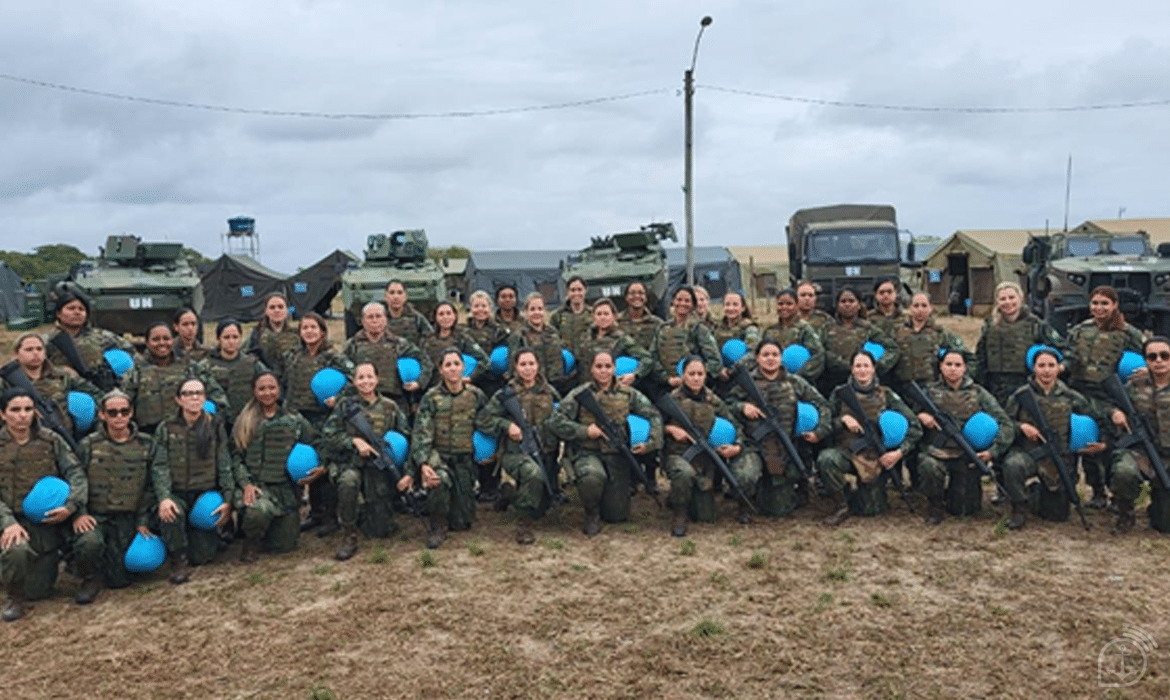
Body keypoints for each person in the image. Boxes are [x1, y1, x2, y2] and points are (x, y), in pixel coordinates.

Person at [1001, 346, 1118, 530]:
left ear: (1058, 368)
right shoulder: (1021, 395)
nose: (1046, 370)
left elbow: (1097, 419)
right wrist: (1021, 426)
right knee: (1013, 465)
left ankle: (1035, 494)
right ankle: (1019, 507)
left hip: (1059, 457)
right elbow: (1005, 422)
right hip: (1029, 453)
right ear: (1034, 368)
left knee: (1057, 515)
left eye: (1051, 365)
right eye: (1041, 365)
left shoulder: (1071, 397)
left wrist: (1102, 442)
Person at [550, 351, 662, 536]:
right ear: (592, 369)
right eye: (599, 367)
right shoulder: (580, 394)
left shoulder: (628, 393)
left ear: (614, 368)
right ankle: (591, 512)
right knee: (592, 477)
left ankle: (605, 499)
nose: (604, 371)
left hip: (616, 454)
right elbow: (556, 422)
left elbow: (653, 414)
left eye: (608, 367)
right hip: (587, 452)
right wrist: (585, 431)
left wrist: (650, 444)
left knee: (617, 516)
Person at [0, 388, 86, 622]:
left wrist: (70, 505)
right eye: (15, 410)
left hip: (44, 522)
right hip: (9, 520)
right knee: (16, 549)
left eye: (28, 409)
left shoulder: (51, 440)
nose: (22, 415)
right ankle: (14, 596)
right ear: (3, 414)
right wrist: (7, 523)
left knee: (39, 591)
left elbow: (75, 472)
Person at [725, 340, 832, 517]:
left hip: (784, 446)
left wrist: (820, 432)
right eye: (765, 355)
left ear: (781, 358)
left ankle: (778, 489)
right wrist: (742, 407)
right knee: (745, 475)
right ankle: (745, 501)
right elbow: (726, 406)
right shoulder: (747, 382)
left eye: (775, 354)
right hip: (754, 445)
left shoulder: (794, 382)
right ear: (757, 358)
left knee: (778, 509)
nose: (770, 359)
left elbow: (823, 405)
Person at [817, 351, 922, 526]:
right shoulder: (840, 394)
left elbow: (914, 426)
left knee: (871, 509)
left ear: (873, 369)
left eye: (866, 366)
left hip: (876, 456)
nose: (862, 370)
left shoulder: (886, 395)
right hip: (846, 451)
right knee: (827, 459)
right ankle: (840, 504)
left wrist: (898, 452)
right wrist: (842, 421)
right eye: (858, 366)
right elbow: (825, 425)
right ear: (851, 369)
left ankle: (857, 495)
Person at [1063, 285, 1145, 508]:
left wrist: (1145, 370)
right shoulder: (1080, 330)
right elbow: (1068, 355)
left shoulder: (1128, 333)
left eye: (1104, 303)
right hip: (1079, 392)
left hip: (1110, 396)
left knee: (1108, 445)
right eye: (1095, 303)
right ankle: (1096, 491)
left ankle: (1117, 493)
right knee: (1084, 440)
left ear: (1115, 305)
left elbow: (1148, 356)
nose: (1099, 308)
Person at [910, 350, 1013, 525]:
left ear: (965, 368)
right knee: (929, 467)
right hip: (935, 452)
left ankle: (953, 494)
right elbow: (908, 417)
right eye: (948, 364)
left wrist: (992, 451)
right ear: (941, 366)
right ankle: (935, 504)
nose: (953, 369)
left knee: (965, 510)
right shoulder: (929, 391)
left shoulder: (978, 393)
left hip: (965, 454)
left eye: (958, 365)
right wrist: (921, 415)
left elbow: (1005, 423)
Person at [72, 389, 154, 604]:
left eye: (124, 411)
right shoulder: (88, 445)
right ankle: (90, 577)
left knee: (120, 580)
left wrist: (143, 522)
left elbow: (151, 487)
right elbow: (76, 480)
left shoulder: (146, 444)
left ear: (131, 413)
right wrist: (80, 513)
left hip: (129, 517)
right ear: (102, 415)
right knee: (89, 543)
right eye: (112, 412)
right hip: (96, 516)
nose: (119, 417)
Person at [322, 363, 411, 560]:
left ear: (377, 379)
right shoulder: (345, 405)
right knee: (348, 481)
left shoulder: (390, 407)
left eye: (370, 376)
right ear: (353, 381)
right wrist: (354, 441)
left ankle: (362, 512)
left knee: (380, 530)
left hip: (377, 467)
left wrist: (402, 467)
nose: (366, 381)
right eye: (360, 377)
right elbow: (328, 436)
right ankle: (349, 534)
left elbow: (405, 436)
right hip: (349, 464)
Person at [402, 350, 489, 549]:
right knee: (437, 480)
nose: (452, 368)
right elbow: (421, 433)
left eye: (456, 364)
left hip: (464, 460)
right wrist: (423, 463)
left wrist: (490, 450)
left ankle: (451, 505)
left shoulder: (475, 395)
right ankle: (437, 523)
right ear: (441, 370)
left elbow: (488, 423)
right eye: (447, 365)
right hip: (438, 456)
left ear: (463, 367)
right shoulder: (431, 398)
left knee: (462, 523)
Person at [150, 379, 234, 584]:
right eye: (188, 393)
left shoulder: (215, 424)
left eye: (199, 393)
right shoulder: (166, 427)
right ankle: (178, 558)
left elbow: (224, 463)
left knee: (203, 557)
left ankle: (207, 537)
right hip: (177, 493)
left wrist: (228, 499)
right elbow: (159, 465)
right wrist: (164, 497)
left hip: (205, 494)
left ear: (205, 398)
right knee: (170, 514)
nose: (194, 397)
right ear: (179, 399)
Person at [476, 348, 562, 544]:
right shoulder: (506, 394)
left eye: (531, 363)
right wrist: (507, 426)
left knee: (542, 507)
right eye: (523, 364)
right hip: (515, 453)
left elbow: (562, 418)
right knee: (533, 474)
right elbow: (483, 419)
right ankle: (523, 524)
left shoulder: (549, 392)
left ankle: (510, 493)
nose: (528, 368)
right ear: (516, 367)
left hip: (544, 452)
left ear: (538, 366)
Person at [233, 371, 321, 562]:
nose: (267, 393)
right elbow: (235, 458)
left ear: (279, 389)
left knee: (285, 546)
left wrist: (320, 467)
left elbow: (317, 442)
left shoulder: (294, 419)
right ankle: (251, 542)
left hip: (286, 490)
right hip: (258, 488)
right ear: (254, 391)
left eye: (272, 388)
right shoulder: (245, 421)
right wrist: (245, 483)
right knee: (258, 512)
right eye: (262, 388)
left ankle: (270, 529)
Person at [280, 312, 353, 536]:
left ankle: (331, 516)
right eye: (305, 328)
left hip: (323, 418)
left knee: (324, 465)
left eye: (313, 327)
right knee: (305, 463)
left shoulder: (333, 357)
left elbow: (353, 380)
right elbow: (282, 382)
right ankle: (315, 512)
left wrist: (338, 398)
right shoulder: (292, 356)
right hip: (297, 418)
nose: (309, 331)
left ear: (322, 331)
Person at [661, 357, 747, 536]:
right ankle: (679, 513)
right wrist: (670, 429)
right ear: (683, 375)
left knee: (706, 516)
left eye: (700, 374)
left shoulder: (712, 400)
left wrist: (736, 445)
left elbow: (735, 425)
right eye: (691, 374)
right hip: (677, 455)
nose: (696, 378)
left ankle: (679, 495)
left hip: (703, 458)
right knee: (684, 474)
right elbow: (655, 424)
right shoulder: (672, 400)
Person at [1110, 336, 1170, 534]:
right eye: (1152, 357)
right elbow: (1109, 404)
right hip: (1141, 452)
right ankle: (1125, 512)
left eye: (1164, 355)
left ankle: (1158, 507)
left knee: (1164, 525)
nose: (1159, 361)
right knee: (1124, 471)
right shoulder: (1135, 385)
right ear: (1146, 360)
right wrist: (1114, 413)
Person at [121, 322, 224, 434]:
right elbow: (123, 405)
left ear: (173, 340)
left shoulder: (190, 367)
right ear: (147, 342)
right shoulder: (136, 372)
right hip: (148, 436)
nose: (162, 343)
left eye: (166, 338)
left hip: (186, 435)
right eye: (156, 339)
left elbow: (218, 397)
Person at [974, 281, 1064, 407]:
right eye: (1003, 299)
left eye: (1012, 297)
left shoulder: (1035, 324)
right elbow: (980, 357)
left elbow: (1061, 347)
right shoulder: (990, 325)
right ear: (997, 302)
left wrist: (1060, 366)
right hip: (994, 387)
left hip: (1025, 386)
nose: (1008, 302)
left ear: (1020, 298)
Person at [1, 332, 103, 439]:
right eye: (29, 349)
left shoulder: (62, 376)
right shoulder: (6, 381)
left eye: (39, 349)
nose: (35, 353)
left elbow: (96, 393)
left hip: (65, 434)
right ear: (16, 354)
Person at [343, 301, 431, 413]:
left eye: (378, 316)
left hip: (395, 401)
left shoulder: (398, 343)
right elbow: (342, 368)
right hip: (362, 402)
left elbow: (425, 360)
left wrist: (419, 382)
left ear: (385, 320)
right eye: (370, 317)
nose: (374, 320)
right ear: (363, 321)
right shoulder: (353, 345)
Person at [44, 289, 136, 388]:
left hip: (99, 386)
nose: (77, 312)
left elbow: (131, 352)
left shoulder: (101, 335)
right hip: (62, 387)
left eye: (81, 309)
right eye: (71, 308)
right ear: (59, 313)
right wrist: (60, 370)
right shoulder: (47, 339)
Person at [820, 287, 899, 396]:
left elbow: (892, 348)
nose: (847, 304)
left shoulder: (867, 328)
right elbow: (819, 350)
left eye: (851, 301)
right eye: (843, 301)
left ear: (859, 305)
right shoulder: (826, 328)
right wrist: (839, 362)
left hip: (862, 384)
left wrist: (877, 366)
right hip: (832, 381)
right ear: (837, 305)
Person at [646, 286, 721, 399]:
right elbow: (652, 357)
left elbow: (715, 362)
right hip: (666, 387)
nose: (682, 303)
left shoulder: (698, 329)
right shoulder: (662, 328)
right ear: (673, 301)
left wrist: (692, 378)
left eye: (687, 301)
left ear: (693, 305)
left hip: (692, 392)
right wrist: (667, 379)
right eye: (679, 299)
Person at [891, 292, 966, 392]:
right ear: (910, 308)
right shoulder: (897, 331)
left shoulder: (940, 333)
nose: (920, 309)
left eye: (924, 305)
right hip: (902, 386)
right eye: (916, 305)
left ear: (930, 308)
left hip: (930, 388)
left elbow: (964, 354)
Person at [572, 299, 654, 388]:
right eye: (599, 314)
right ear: (593, 316)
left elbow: (647, 359)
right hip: (585, 389)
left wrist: (635, 375)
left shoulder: (622, 339)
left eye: (606, 314)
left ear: (614, 316)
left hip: (610, 391)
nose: (602, 317)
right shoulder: (584, 338)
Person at [206, 319, 267, 428]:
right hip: (217, 423)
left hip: (247, 421)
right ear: (218, 338)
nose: (231, 341)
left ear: (240, 338)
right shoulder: (206, 365)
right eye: (226, 337)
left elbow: (268, 382)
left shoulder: (252, 364)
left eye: (235, 337)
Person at [511, 293, 573, 394]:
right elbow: (513, 366)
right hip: (533, 386)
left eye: (540, 309)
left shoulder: (552, 331)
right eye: (532, 309)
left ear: (544, 311)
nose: (537, 312)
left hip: (557, 383)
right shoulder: (519, 335)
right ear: (526, 312)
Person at [760, 288, 825, 384]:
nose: (784, 307)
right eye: (780, 304)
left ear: (797, 305)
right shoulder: (769, 330)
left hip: (799, 382)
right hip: (772, 382)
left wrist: (799, 376)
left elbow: (818, 355)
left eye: (789, 304)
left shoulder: (804, 329)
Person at [419, 301, 490, 389]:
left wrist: (471, 377)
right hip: (434, 390)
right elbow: (423, 365)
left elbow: (485, 361)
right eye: (441, 314)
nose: (445, 317)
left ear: (455, 315)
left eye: (449, 313)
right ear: (435, 317)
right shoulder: (427, 341)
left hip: (458, 390)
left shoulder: (462, 338)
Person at [464, 289, 512, 397]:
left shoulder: (499, 331)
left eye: (484, 306)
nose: (480, 309)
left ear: (490, 308)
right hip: (470, 379)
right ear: (470, 309)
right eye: (476, 306)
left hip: (494, 380)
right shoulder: (463, 331)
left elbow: (509, 352)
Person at [247, 292, 300, 375]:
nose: (277, 310)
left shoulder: (297, 334)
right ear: (266, 311)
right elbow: (246, 355)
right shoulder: (256, 334)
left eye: (280, 307)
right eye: (272, 307)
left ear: (287, 310)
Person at [616, 281, 664, 352]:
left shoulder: (657, 324)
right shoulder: (616, 322)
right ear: (626, 297)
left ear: (646, 298)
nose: (637, 296)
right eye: (632, 293)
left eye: (641, 293)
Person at [382, 280, 433, 345]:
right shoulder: (377, 318)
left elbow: (430, 338)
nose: (396, 297)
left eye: (400, 293)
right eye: (392, 293)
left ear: (405, 296)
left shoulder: (417, 318)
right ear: (385, 296)